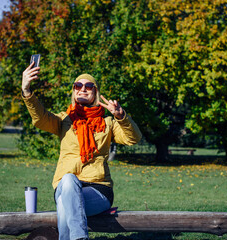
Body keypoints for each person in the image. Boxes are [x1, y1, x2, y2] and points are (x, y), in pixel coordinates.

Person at [21, 61, 142, 240]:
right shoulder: (64, 119)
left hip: (98, 190)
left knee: (64, 204)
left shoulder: (108, 123)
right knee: (69, 180)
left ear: (96, 92)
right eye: (78, 85)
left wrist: (121, 117)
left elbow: (133, 138)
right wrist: (27, 91)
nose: (82, 89)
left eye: (88, 86)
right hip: (66, 186)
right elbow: (40, 119)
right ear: (74, 91)